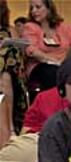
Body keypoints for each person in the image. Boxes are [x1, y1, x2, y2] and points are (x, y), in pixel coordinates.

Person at [23, 0, 71, 77]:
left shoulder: (66, 28)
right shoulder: (30, 27)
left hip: (66, 65)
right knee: (53, 72)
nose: (34, 11)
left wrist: (66, 63)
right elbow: (31, 51)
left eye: (38, 7)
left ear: (49, 9)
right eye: (31, 8)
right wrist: (55, 61)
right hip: (41, 66)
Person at [0, 0, 29, 136]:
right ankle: (10, 127)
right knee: (5, 73)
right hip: (7, 70)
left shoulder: (10, 29)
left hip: (11, 71)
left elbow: (20, 49)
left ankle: (10, 127)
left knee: (10, 53)